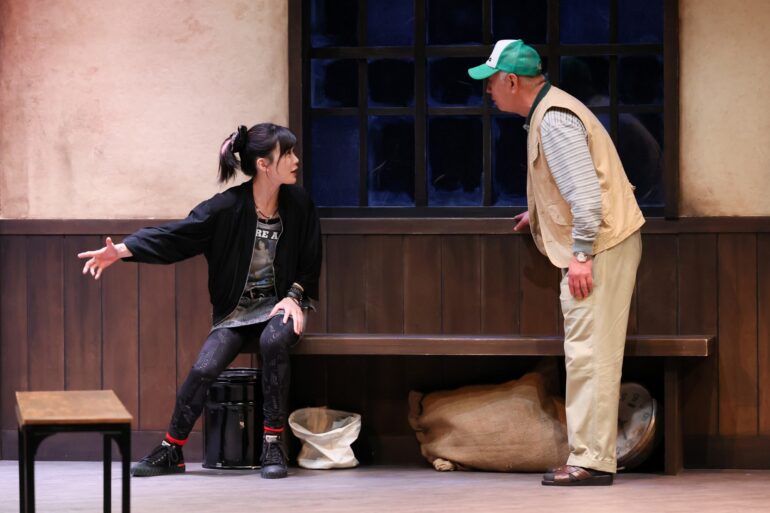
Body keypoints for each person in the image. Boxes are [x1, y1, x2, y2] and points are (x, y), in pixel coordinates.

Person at [78, 123, 322, 479]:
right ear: (263, 165)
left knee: (273, 340)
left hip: (282, 307)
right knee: (205, 368)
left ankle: (273, 443)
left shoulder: (299, 204)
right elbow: (177, 235)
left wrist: (294, 297)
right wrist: (122, 250)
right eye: (287, 153)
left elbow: (311, 262)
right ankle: (171, 449)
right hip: (235, 313)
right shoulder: (226, 208)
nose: (295, 160)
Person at [468, 40, 644, 486]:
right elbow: (572, 186)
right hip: (601, 243)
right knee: (586, 352)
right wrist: (541, 213)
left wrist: (581, 253)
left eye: (491, 81)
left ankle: (592, 460)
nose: (488, 90)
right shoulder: (549, 111)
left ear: (511, 81)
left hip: (600, 247)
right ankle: (589, 456)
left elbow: (586, 197)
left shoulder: (554, 120)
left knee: (590, 355)